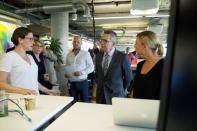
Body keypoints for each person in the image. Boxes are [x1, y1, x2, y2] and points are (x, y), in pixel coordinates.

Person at [0, 27, 59, 95]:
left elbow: (32, 80)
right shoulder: (8, 57)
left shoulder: (30, 57)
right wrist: (24, 91)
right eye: (30, 39)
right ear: (20, 40)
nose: (33, 42)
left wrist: (46, 90)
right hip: (18, 101)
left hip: (34, 99)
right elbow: (1, 83)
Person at [95, 30, 133, 104]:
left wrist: (119, 88)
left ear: (114, 44)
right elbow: (97, 74)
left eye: (105, 41)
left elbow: (128, 78)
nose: (102, 43)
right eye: (101, 40)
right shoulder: (98, 56)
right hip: (101, 95)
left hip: (116, 95)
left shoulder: (122, 57)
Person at [132, 30, 164, 100]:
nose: (134, 46)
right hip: (138, 107)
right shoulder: (140, 65)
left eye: (136, 43)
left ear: (144, 46)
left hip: (154, 109)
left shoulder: (163, 65)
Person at [64, 36, 94, 103]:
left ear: (81, 43)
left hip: (83, 82)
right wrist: (66, 74)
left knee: (85, 102)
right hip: (72, 83)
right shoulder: (68, 55)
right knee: (73, 102)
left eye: (78, 42)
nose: (76, 43)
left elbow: (91, 67)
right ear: (72, 43)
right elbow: (66, 67)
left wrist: (82, 72)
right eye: (74, 41)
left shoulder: (86, 54)